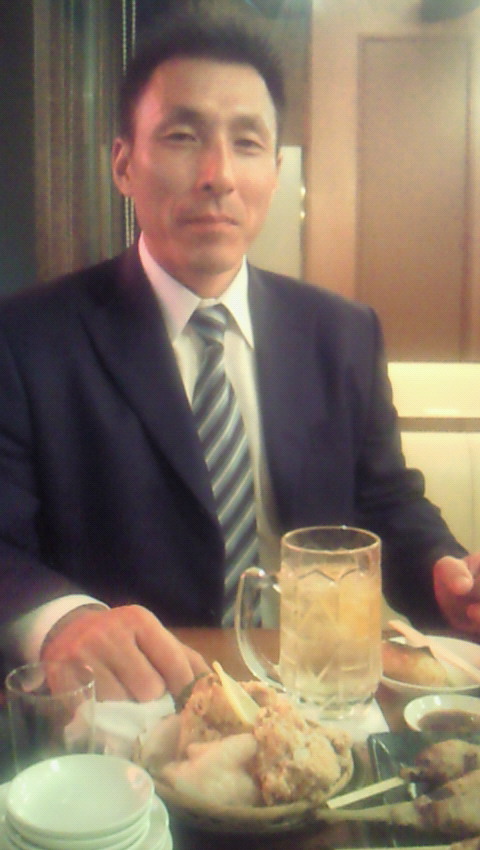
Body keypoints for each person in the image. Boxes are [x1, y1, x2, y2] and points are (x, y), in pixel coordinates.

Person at [0, 11, 479, 702]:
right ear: (123, 163)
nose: (218, 175)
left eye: (247, 143)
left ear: (275, 172)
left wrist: (442, 569)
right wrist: (61, 621)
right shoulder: (29, 340)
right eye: (183, 136)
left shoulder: (340, 333)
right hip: (133, 707)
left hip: (316, 697)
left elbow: (386, 501)